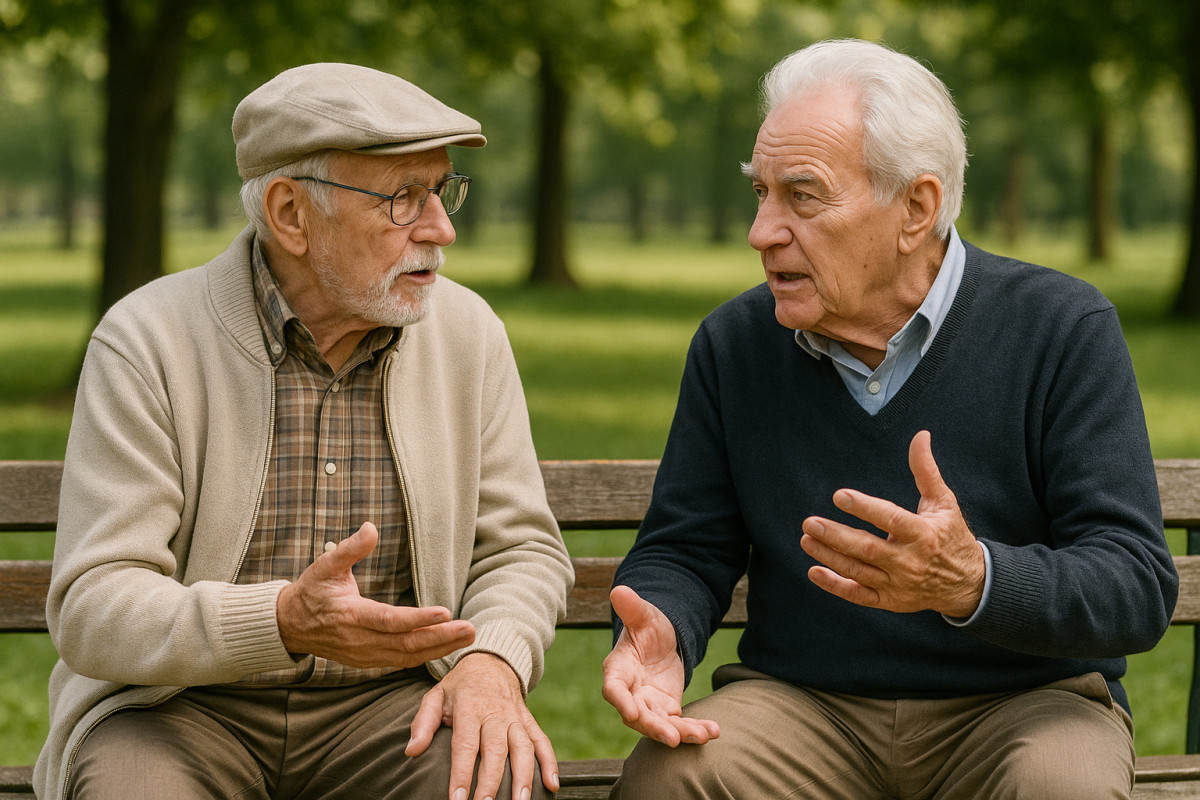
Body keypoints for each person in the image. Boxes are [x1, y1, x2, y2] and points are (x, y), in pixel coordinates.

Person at [602, 38, 1179, 799]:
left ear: (917, 207)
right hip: (805, 706)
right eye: (761, 194)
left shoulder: (1061, 328)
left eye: (802, 196)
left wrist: (975, 580)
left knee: (1058, 789)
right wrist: (662, 631)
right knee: (668, 780)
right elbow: (686, 547)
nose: (763, 231)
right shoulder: (735, 343)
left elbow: (1134, 584)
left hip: (1023, 707)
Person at [37, 63, 573, 800]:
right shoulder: (148, 341)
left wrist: (494, 661)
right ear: (290, 214)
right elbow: (94, 606)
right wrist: (284, 620)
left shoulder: (467, 333)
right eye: (403, 198)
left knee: (495, 784)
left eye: (442, 191)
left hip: (389, 709)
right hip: (178, 711)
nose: (441, 228)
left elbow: (521, 550)